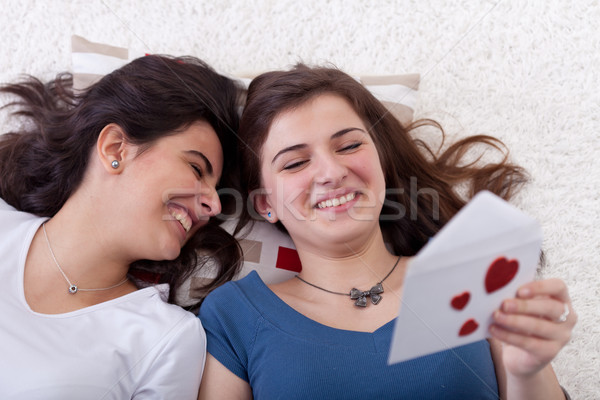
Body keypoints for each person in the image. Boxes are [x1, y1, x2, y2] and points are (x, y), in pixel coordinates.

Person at [198, 64, 576, 399]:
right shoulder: (234, 314)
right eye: (295, 162)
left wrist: (528, 368)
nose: (331, 173)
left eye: (349, 145)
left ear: (379, 158)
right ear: (265, 203)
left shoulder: (472, 272)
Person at [0, 55, 242, 399]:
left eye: (217, 192)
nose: (214, 206)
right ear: (115, 148)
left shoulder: (165, 339)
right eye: (196, 168)